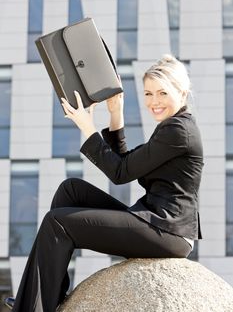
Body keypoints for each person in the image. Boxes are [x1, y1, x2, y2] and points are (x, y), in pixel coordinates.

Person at [5, 54, 203, 311]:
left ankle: (31, 307)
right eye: (148, 94)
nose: (154, 101)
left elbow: (120, 172)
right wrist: (115, 114)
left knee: (58, 223)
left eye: (163, 93)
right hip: (153, 221)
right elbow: (126, 164)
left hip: (168, 232)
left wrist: (87, 126)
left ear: (183, 93)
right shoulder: (172, 127)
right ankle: (48, 296)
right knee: (71, 189)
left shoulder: (179, 131)